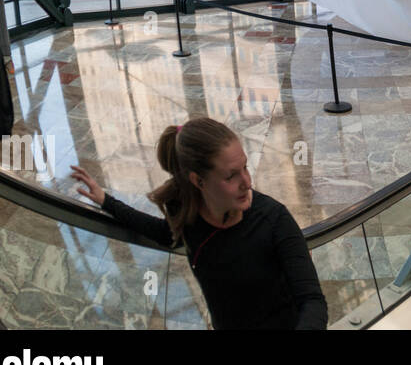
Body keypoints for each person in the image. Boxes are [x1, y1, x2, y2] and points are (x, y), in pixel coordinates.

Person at [70, 118, 327, 329]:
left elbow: (312, 300)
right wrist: (107, 201)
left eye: (245, 168)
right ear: (199, 181)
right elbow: (161, 232)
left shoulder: (274, 220)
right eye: (231, 176)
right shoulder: (189, 218)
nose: (247, 182)